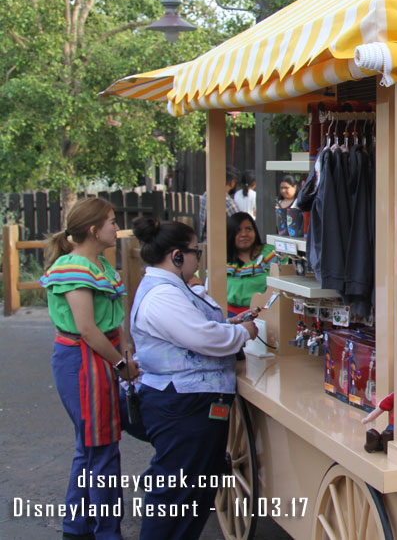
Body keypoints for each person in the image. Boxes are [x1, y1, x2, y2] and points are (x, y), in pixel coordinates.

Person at [129, 217, 257, 540]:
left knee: (192, 490)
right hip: (181, 405)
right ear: (176, 256)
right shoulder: (162, 295)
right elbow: (204, 337)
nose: (197, 259)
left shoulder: (173, 289)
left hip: (188, 402)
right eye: (194, 252)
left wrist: (231, 323)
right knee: (176, 492)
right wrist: (242, 332)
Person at [40, 197, 141, 540]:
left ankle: (78, 528)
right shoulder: (75, 268)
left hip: (98, 357)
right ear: (94, 230)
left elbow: (111, 324)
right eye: (112, 221)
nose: (117, 227)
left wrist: (123, 350)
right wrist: (122, 363)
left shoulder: (99, 265)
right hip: (84, 361)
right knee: (101, 450)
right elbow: (87, 328)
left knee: (91, 447)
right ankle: (106, 533)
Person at [226, 212, 279, 315]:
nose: (244, 234)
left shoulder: (270, 254)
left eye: (248, 229)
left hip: (267, 314)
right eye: (238, 230)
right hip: (229, 317)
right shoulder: (222, 261)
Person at [197, 165, 240, 243]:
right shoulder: (227, 201)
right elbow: (239, 225)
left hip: (205, 242)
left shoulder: (206, 194)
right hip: (221, 246)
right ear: (232, 183)